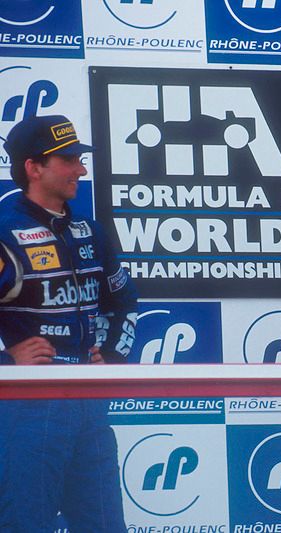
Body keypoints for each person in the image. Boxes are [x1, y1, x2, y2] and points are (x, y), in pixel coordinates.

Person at [0, 115, 138, 532]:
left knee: (104, 523)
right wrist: (6, 359)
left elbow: (124, 302)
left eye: (79, 159)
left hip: (89, 401)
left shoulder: (89, 231)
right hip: (26, 404)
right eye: (69, 160)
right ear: (33, 167)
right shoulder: (5, 230)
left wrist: (111, 357)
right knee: (26, 523)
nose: (80, 169)